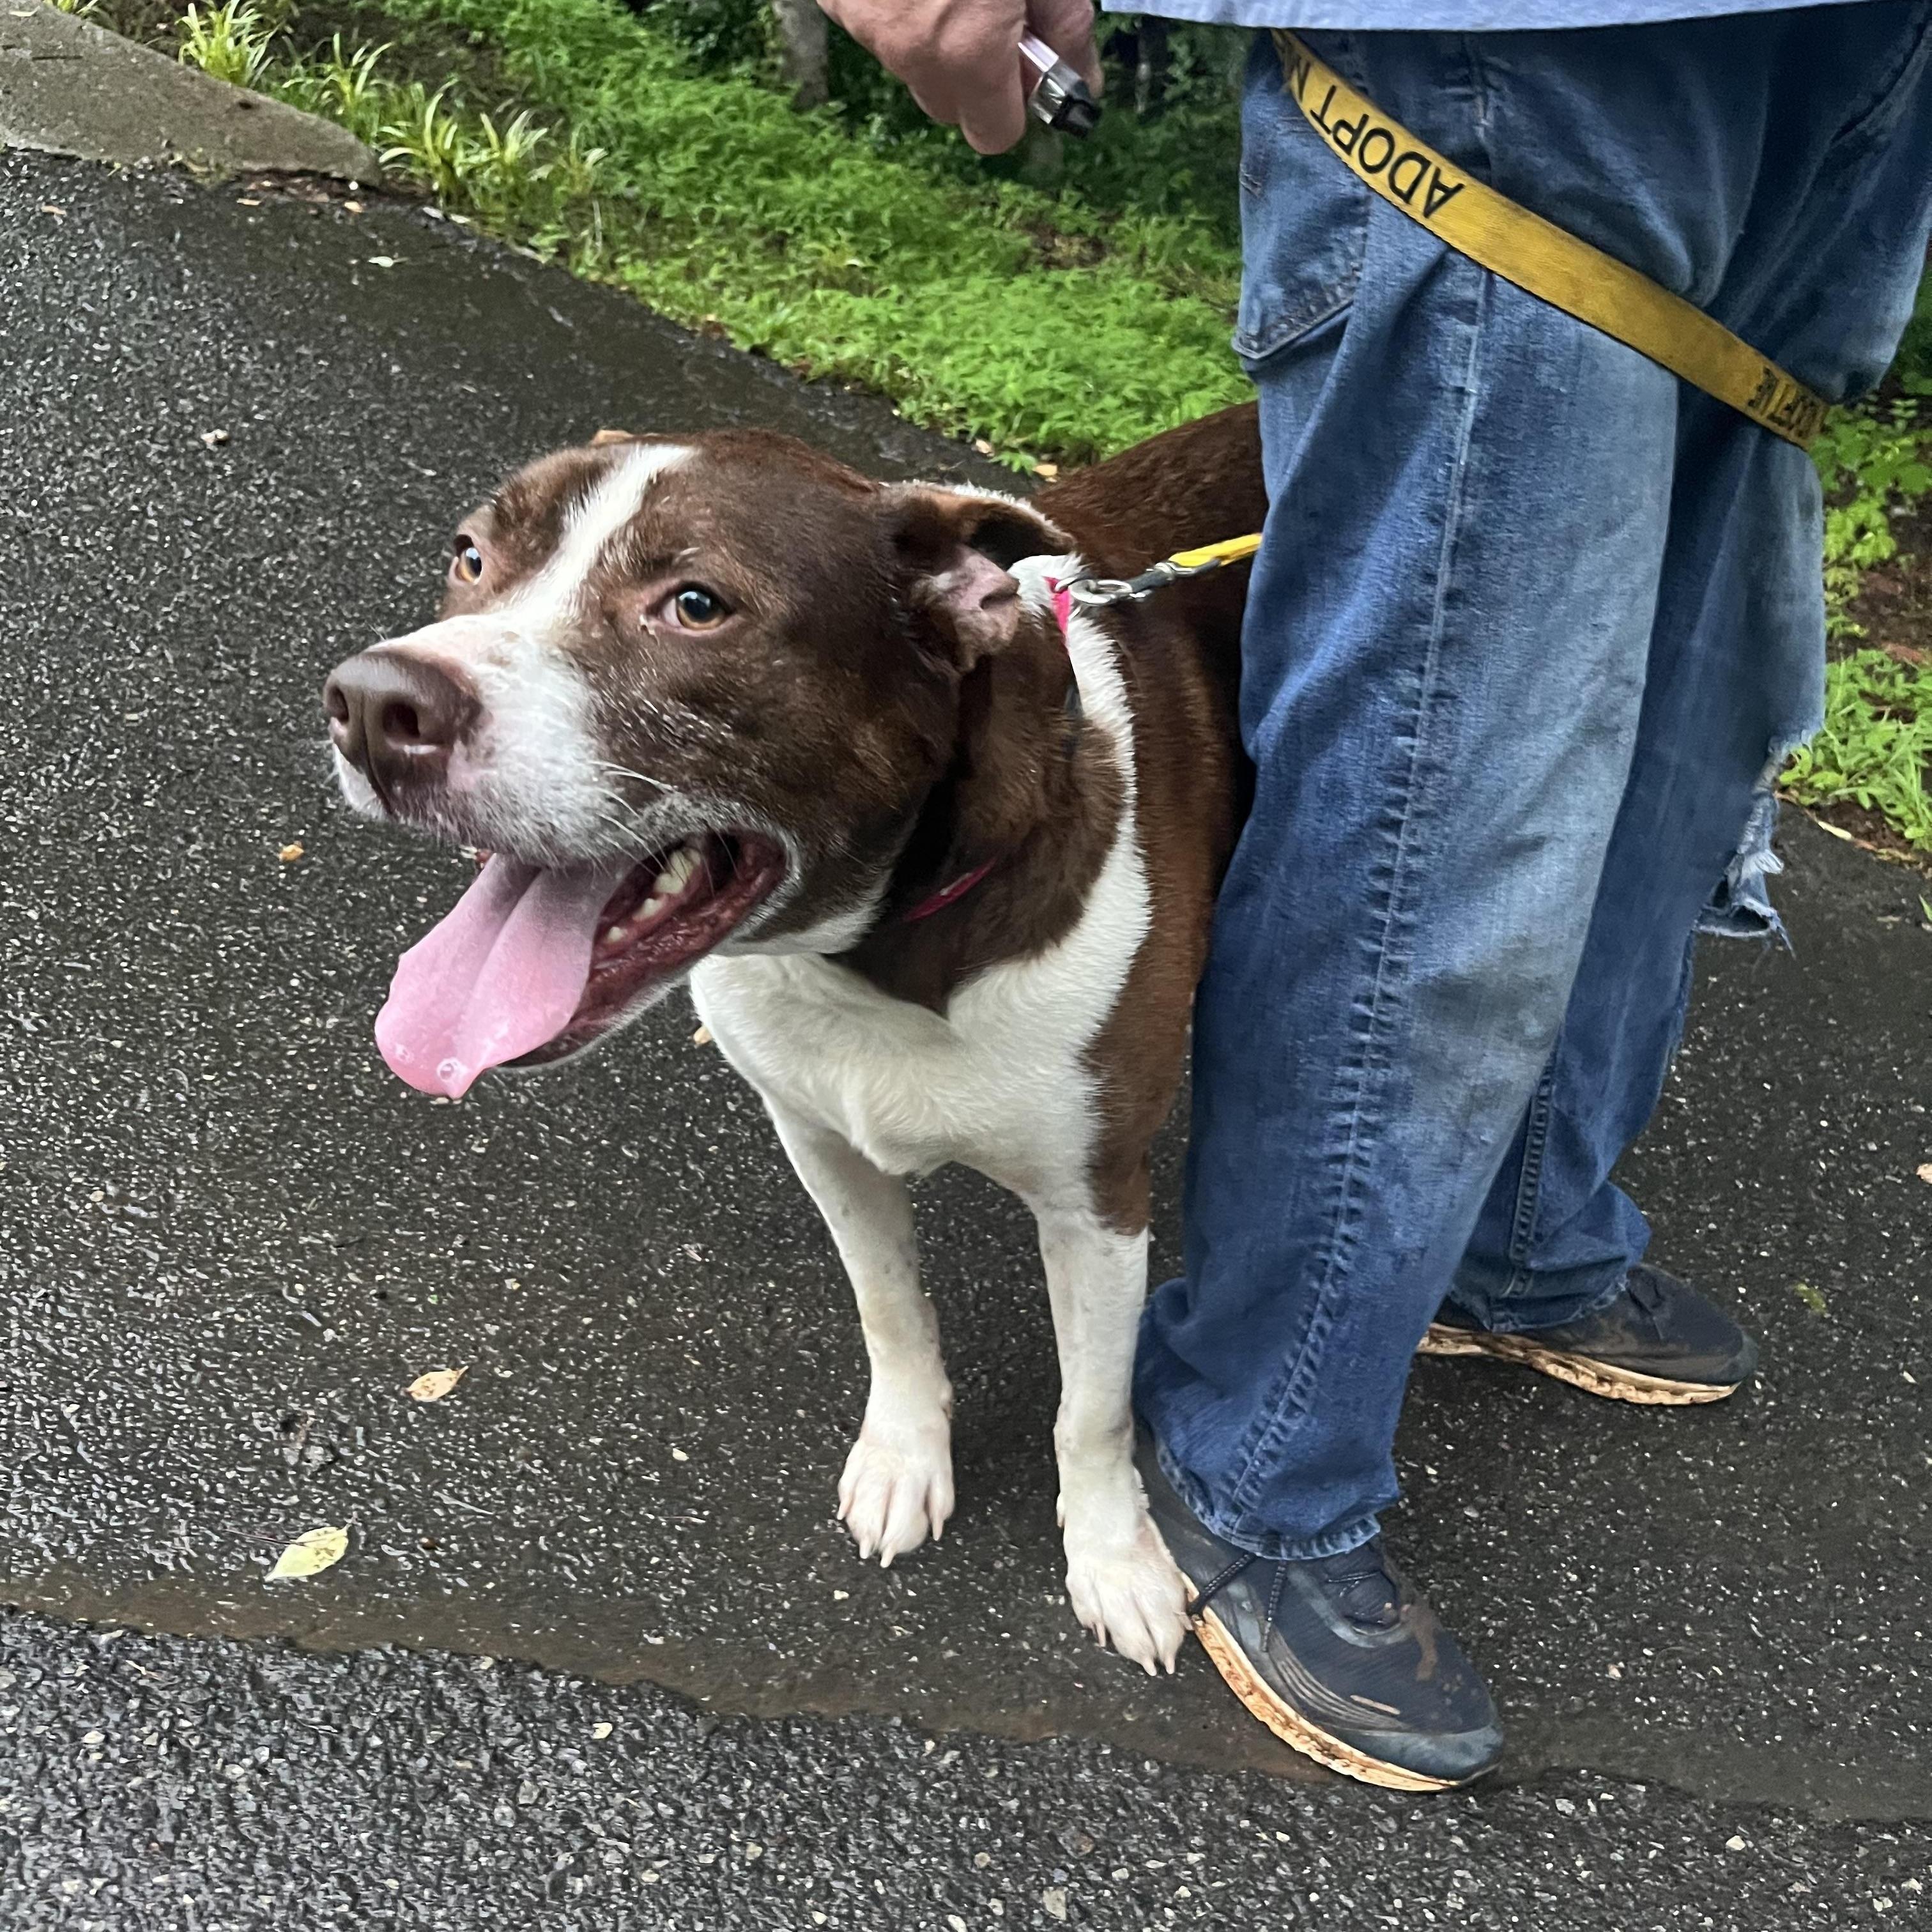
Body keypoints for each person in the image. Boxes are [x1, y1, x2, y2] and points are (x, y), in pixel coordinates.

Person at [819, 0, 1932, 1788]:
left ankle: (1518, 1236)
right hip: (1518, 54)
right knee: (1446, 801)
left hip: (1841, 68)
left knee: (1666, 750)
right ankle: (1255, 1445)